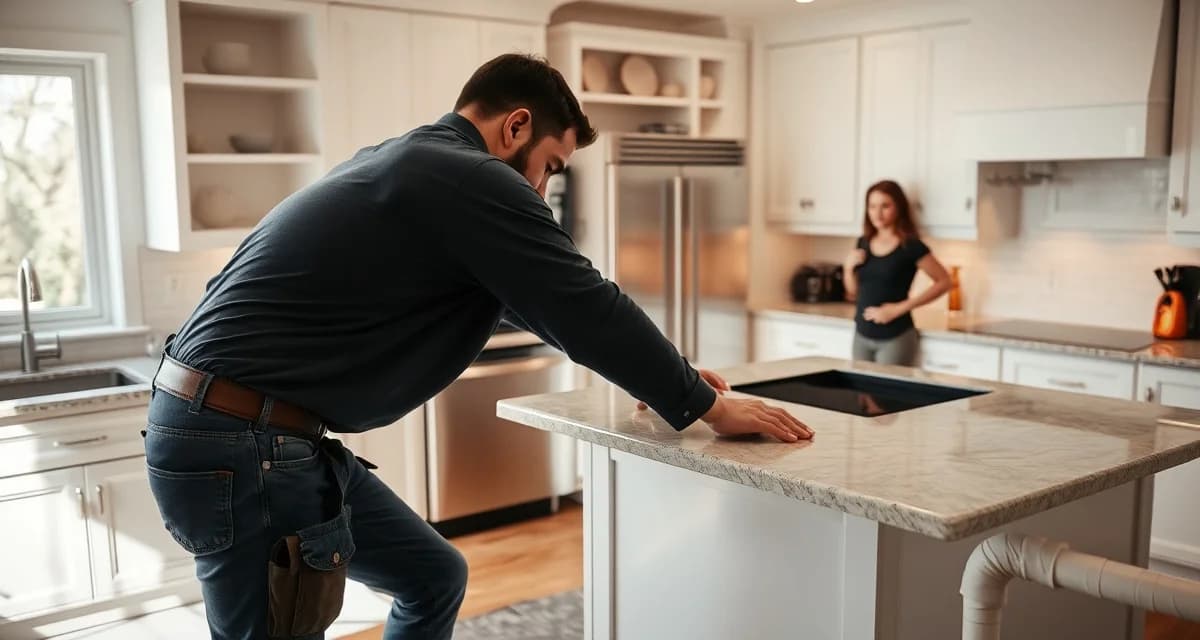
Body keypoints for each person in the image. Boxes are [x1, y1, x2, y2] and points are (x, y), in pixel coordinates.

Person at [143, 54, 813, 640]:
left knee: (432, 576)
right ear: (515, 126)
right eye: (550, 167)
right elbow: (583, 303)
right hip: (241, 441)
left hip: (244, 430)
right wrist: (704, 406)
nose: (542, 189)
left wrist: (667, 378)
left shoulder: (413, 162)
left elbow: (548, 306)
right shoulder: (466, 174)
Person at [842, 179, 952, 366]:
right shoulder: (863, 242)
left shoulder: (911, 246)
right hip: (861, 335)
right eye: (872, 206)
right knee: (859, 386)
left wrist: (897, 309)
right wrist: (847, 268)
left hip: (895, 338)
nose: (877, 213)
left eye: (885, 206)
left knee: (886, 387)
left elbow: (944, 282)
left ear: (898, 207)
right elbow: (853, 293)